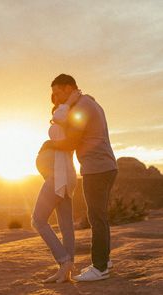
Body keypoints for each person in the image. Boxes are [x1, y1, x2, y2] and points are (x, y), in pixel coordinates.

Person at [39, 74, 118, 282]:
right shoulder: (87, 102)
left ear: (68, 88)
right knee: (100, 216)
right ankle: (105, 260)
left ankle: (100, 267)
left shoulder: (82, 106)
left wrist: (48, 145)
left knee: (96, 217)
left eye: (57, 92)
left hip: (96, 168)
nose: (55, 97)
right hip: (104, 166)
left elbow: (70, 142)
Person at [31, 89, 81, 283]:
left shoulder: (65, 115)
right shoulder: (66, 119)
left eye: (58, 96)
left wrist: (68, 102)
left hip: (58, 176)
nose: (56, 104)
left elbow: (59, 116)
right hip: (65, 175)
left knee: (38, 220)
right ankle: (66, 271)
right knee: (66, 225)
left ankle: (63, 260)